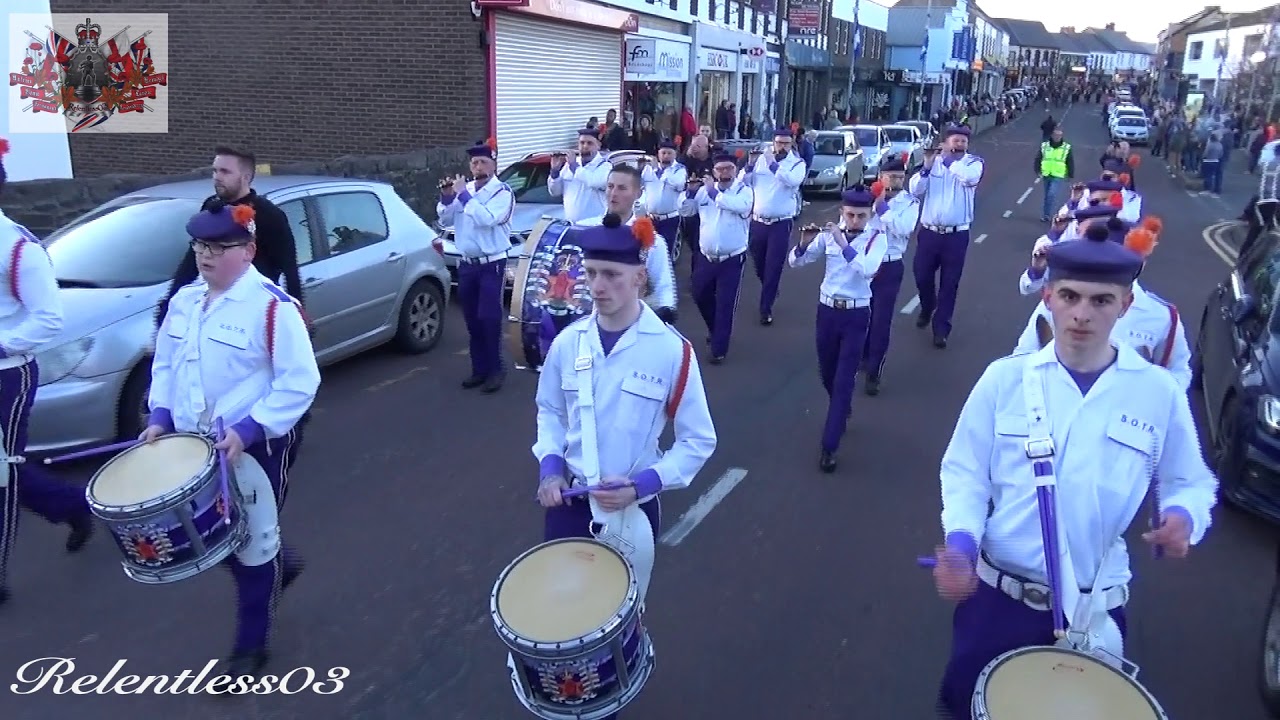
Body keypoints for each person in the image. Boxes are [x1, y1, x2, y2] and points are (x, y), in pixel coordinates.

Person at [931, 231, 1218, 719]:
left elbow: (1191, 480)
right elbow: (965, 472)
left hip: (1095, 609)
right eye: (1070, 296)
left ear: (1125, 306)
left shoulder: (1156, 392)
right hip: (1000, 603)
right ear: (1049, 298)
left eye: (1101, 300)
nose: (1083, 313)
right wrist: (961, 542)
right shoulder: (1004, 380)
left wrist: (1182, 516)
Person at [531, 215, 716, 720]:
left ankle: (606, 706)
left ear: (640, 277)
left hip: (631, 515)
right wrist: (550, 467)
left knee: (613, 628)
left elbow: (699, 440)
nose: (597, 286)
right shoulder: (569, 343)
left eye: (611, 274)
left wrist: (643, 485)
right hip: (569, 508)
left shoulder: (672, 352)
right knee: (562, 625)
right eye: (590, 273)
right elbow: (549, 409)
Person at [143, 202, 320, 677]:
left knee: (252, 544)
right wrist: (160, 412)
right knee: (209, 536)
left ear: (248, 251)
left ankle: (250, 648)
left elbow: (300, 382)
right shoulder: (183, 300)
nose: (205, 255)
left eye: (220, 247)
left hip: (255, 448)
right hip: (192, 447)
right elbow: (165, 366)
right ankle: (283, 563)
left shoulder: (273, 308)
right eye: (201, 245)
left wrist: (249, 428)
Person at [0, 138, 95, 606]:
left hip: (6, 375)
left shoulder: (18, 250)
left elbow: (48, 318)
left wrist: (2, 343)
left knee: (1, 473)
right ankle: (72, 505)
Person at [1014, 220, 1192, 389]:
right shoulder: (1054, 304)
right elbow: (1023, 356)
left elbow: (1178, 371)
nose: (1082, 315)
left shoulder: (1161, 316)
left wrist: (1150, 403)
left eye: (1101, 300)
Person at [787, 186, 887, 473]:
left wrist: (843, 243)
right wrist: (804, 244)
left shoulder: (876, 238)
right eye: (851, 214)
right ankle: (840, 409)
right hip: (827, 311)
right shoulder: (829, 235)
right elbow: (796, 263)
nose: (855, 220)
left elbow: (867, 269)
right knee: (827, 373)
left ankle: (829, 446)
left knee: (844, 379)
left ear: (869, 215)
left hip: (856, 313)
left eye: (861, 216)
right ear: (842, 212)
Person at [157, 146, 304, 327]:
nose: (217, 177)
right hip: (214, 304)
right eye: (215, 170)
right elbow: (191, 261)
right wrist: (170, 302)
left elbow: (289, 268)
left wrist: (297, 316)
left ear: (245, 177)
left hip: (254, 310)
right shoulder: (211, 207)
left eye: (225, 171)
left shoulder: (269, 215)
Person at [437, 138, 514, 393]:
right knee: (471, 320)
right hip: (467, 264)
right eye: (474, 162)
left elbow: (487, 219)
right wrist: (447, 197)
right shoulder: (464, 190)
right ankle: (479, 369)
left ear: (493, 165)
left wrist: (464, 196)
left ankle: (496, 369)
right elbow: (445, 218)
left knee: (489, 318)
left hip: (491, 263)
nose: (477, 166)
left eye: (483, 161)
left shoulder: (502, 192)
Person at [909, 126, 984, 349]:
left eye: (963, 141)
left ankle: (941, 328)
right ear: (946, 141)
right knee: (921, 275)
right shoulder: (934, 163)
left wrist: (948, 160)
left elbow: (970, 179)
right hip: (929, 232)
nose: (959, 144)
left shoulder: (973, 163)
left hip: (956, 234)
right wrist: (927, 165)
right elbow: (915, 190)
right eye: (955, 140)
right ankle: (927, 305)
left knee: (950, 283)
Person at [576, 165, 678, 324]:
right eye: (610, 186)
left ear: (638, 193)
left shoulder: (653, 241)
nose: (613, 193)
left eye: (622, 188)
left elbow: (663, 288)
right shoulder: (584, 229)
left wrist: (663, 320)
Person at [861, 155, 920, 396]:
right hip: (864, 266)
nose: (895, 181)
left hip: (889, 265)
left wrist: (882, 209)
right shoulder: (867, 198)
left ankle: (874, 370)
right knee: (862, 315)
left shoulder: (910, 203)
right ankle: (862, 357)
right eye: (890, 176)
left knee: (881, 320)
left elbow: (903, 229)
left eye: (899, 177)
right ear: (880, 177)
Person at [691, 152, 754, 364]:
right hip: (706, 256)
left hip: (732, 257)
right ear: (714, 171)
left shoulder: (744, 191)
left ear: (735, 170)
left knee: (726, 303)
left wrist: (713, 194)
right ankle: (715, 328)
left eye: (728, 169)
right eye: (720, 169)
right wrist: (690, 194)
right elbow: (685, 211)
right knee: (700, 294)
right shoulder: (704, 191)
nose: (724, 173)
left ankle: (719, 349)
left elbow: (740, 207)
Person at [745, 130, 807, 326]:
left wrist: (773, 164)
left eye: (786, 143)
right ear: (773, 142)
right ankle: (770, 287)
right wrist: (748, 167)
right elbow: (744, 182)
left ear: (791, 145)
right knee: (758, 261)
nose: (781, 146)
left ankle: (766, 308)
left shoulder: (797, 164)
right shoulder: (761, 158)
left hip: (781, 222)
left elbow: (792, 181)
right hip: (758, 220)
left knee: (774, 265)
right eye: (779, 142)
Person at [549, 128, 610, 223]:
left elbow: (592, 181)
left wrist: (574, 166)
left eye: (590, 143)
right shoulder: (569, 164)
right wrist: (555, 172)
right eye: (582, 143)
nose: (585, 146)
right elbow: (555, 192)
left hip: (593, 226)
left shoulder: (605, 166)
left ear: (598, 145)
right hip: (570, 224)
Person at [639, 139, 687, 249]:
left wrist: (660, 172)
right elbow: (641, 185)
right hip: (650, 218)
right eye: (663, 153)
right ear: (658, 154)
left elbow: (679, 184)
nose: (666, 156)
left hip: (669, 219)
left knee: (666, 250)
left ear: (675, 154)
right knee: (647, 250)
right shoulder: (648, 169)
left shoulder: (679, 169)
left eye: (669, 153)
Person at [1033, 126, 1073, 222]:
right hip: (1046, 174)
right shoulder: (1045, 146)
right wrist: (1037, 170)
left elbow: (1070, 161)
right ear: (1052, 135)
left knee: (1052, 194)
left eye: (1059, 135)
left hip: (1058, 175)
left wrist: (1070, 174)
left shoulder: (1066, 147)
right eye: (1056, 135)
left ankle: (1049, 213)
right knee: (1047, 195)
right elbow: (1038, 158)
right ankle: (1046, 214)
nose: (1057, 137)